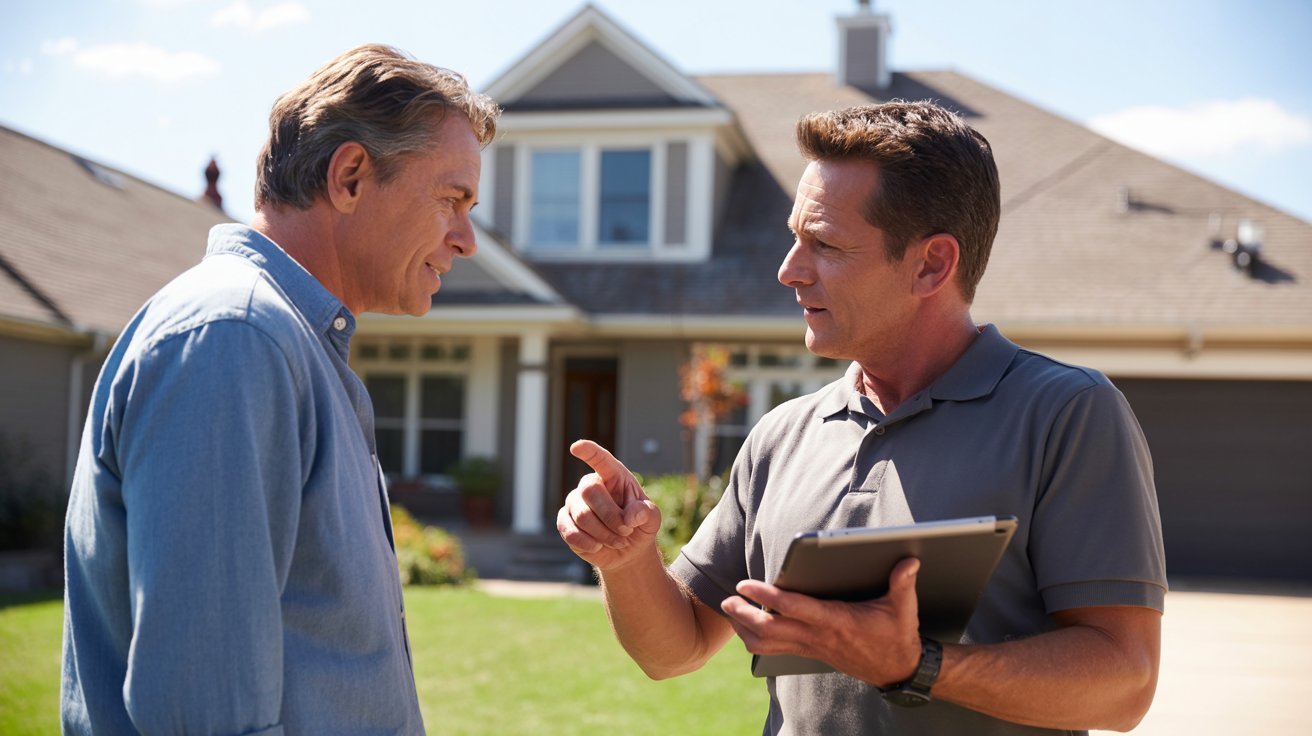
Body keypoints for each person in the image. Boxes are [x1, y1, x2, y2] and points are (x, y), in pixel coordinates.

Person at [557, 101, 1166, 735]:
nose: (789, 271)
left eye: (825, 244)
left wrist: (918, 665)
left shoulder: (1065, 414)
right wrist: (627, 561)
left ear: (932, 264)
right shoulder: (782, 436)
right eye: (795, 236)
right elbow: (673, 649)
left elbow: (1124, 683)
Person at [61, 44, 499, 734]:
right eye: (453, 199)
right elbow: (206, 715)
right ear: (351, 176)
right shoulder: (236, 340)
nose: (468, 239)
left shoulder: (286, 344)